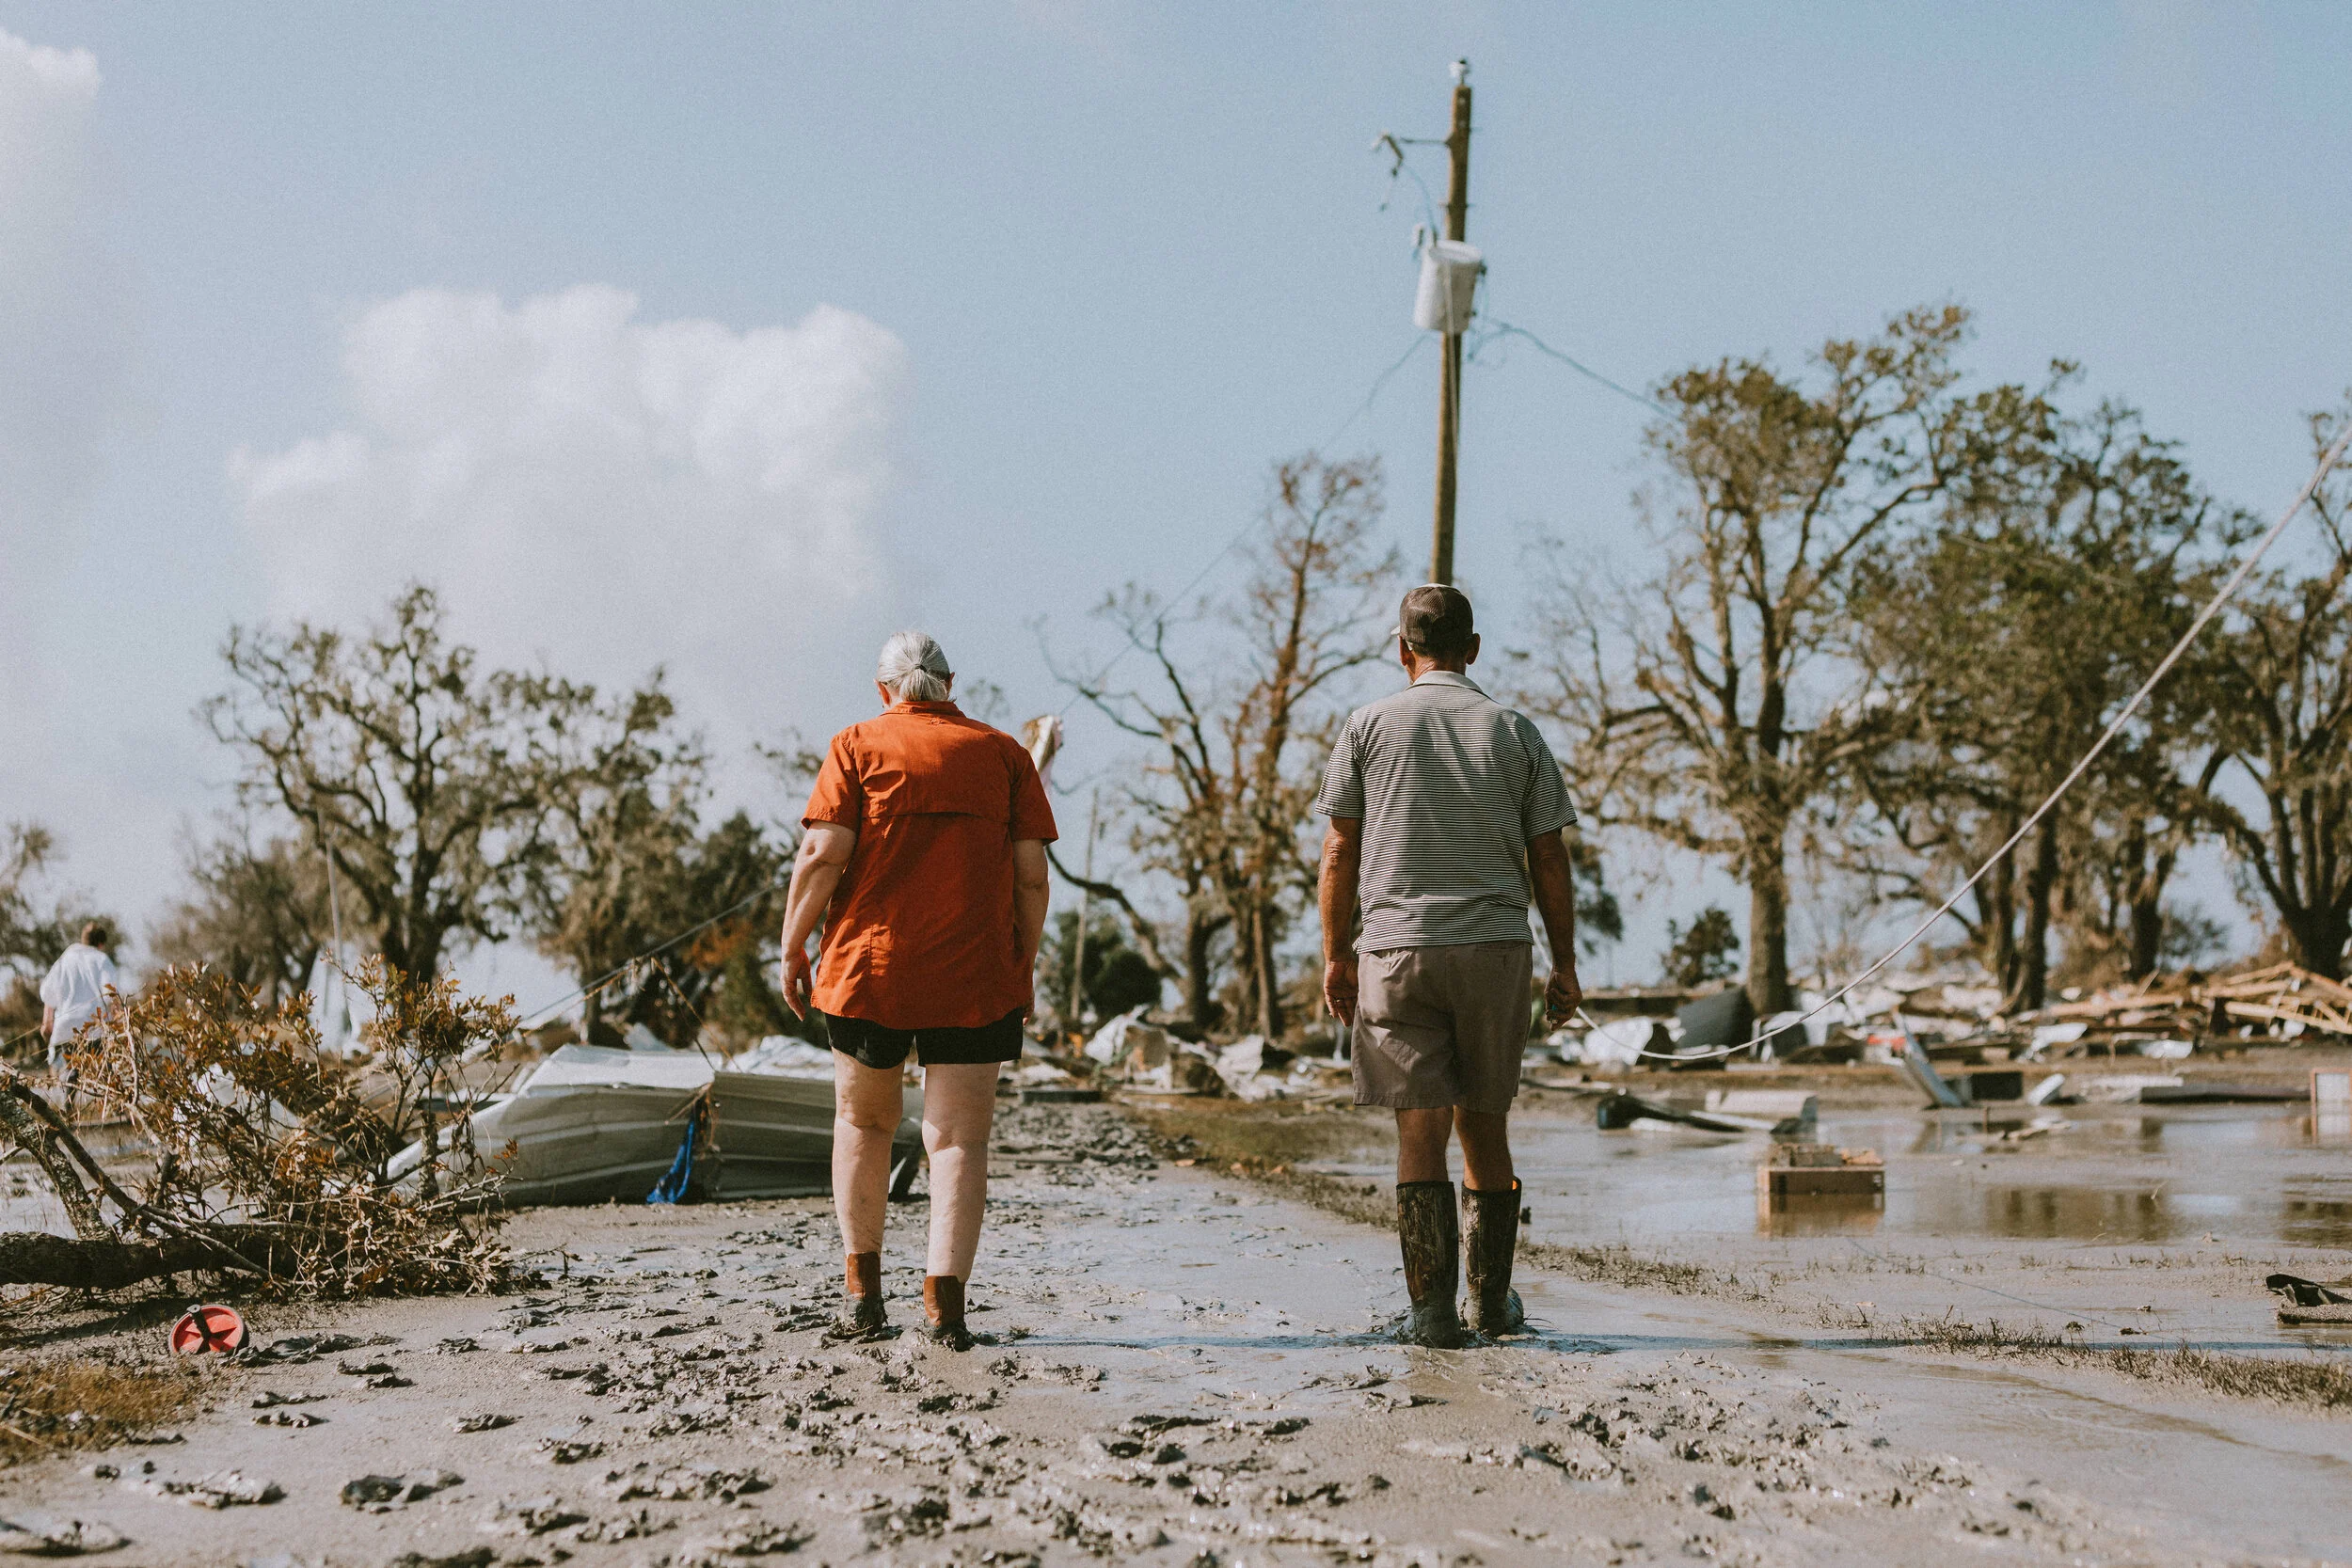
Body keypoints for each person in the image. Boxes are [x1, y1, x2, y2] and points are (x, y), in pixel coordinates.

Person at [1314, 585, 1585, 1347]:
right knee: (1485, 1125)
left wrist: (1338, 954)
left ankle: (1432, 1310)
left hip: (1397, 949)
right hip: (1495, 948)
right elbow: (1550, 856)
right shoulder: (1515, 731)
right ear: (1473, 646)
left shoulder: (1365, 726)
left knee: (1418, 1130)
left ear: (1403, 649)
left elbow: (1339, 848)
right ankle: (1491, 1304)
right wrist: (1564, 964)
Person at [780, 630, 1056, 1350]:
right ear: (950, 682)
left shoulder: (854, 745)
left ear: (884, 690)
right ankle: (945, 1310)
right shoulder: (1005, 754)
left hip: (870, 970)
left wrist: (791, 943)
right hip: (975, 973)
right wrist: (1020, 954)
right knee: (959, 1140)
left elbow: (821, 855)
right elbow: (1031, 874)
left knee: (864, 1125)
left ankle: (863, 1299)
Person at [40, 919, 124, 1076]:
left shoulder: (65, 959)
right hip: (95, 1025)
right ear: (100, 944)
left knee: (70, 1071)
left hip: (66, 1026)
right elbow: (111, 994)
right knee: (107, 1071)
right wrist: (118, 1025)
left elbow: (48, 993)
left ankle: (68, 1097)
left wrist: (47, 1023)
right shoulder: (102, 959)